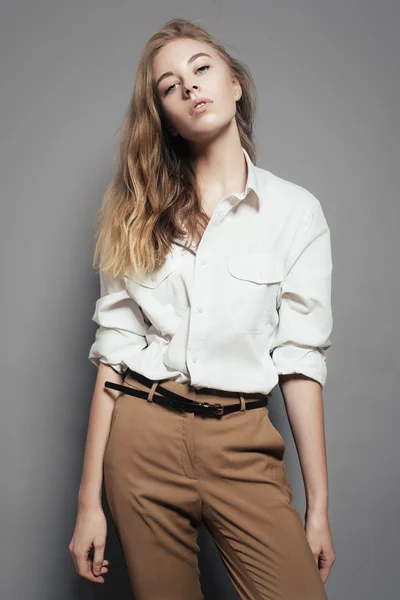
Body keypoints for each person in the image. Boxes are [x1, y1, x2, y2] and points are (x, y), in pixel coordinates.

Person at [69, 17, 336, 599]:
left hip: (243, 444)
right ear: (164, 114)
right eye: (169, 86)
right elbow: (112, 356)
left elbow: (300, 361)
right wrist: (89, 503)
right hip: (143, 443)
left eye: (202, 68)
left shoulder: (296, 213)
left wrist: (317, 508)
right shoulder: (136, 210)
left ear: (235, 83)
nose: (189, 87)